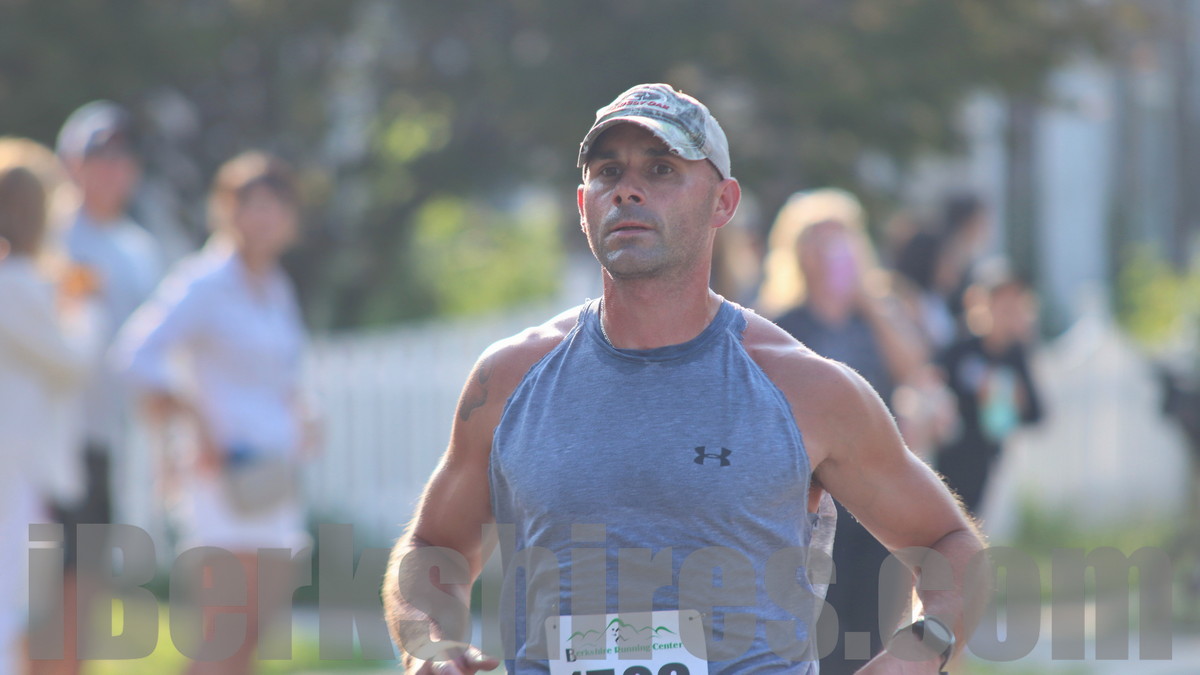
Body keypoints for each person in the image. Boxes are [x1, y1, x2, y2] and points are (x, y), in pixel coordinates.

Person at [382, 83, 987, 674]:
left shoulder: (803, 388)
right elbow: (433, 548)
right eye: (608, 172)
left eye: (661, 169)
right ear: (583, 205)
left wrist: (919, 654)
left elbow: (949, 545)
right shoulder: (510, 379)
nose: (627, 190)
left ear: (723, 202)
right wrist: (426, 644)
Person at [114, 151, 313, 675]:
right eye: (251, 204)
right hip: (221, 477)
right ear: (227, 210)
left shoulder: (277, 286)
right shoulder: (203, 282)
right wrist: (193, 418)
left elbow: (279, 375)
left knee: (256, 632)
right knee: (224, 633)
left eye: (274, 205)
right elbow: (135, 354)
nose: (263, 218)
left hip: (273, 475)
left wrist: (303, 412)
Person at [756, 188, 949, 673]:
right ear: (798, 251)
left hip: (873, 490)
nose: (832, 253)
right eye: (820, 241)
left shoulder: (876, 316)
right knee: (819, 619)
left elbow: (915, 368)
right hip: (808, 499)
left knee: (872, 621)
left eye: (841, 240)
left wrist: (871, 303)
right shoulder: (780, 324)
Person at [44, 100, 165, 674]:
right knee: (41, 589)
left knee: (86, 584)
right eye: (98, 157)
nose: (111, 169)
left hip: (104, 441)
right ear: (70, 164)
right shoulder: (45, 234)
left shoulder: (139, 249)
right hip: (45, 440)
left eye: (121, 157)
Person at [0, 147, 99, 675]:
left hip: (22, 469)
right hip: (14, 470)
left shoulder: (21, 283)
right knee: (10, 606)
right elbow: (74, 360)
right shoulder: (13, 284)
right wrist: (86, 304)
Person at [936, 260, 1044, 516]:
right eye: (1001, 305)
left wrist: (1017, 399)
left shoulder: (1015, 356)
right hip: (952, 460)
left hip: (990, 461)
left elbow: (1036, 413)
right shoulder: (959, 352)